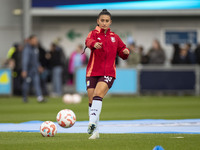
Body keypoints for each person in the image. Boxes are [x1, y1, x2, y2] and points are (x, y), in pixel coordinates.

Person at [85, 9, 130, 139]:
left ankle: (91, 123)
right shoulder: (93, 34)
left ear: (110, 22)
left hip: (108, 72)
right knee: (91, 100)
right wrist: (94, 44)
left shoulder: (115, 37)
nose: (104, 23)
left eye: (107, 21)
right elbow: (88, 42)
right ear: (98, 21)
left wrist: (125, 52)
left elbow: (122, 50)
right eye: (102, 20)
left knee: (98, 94)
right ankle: (95, 132)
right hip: (92, 71)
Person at [21, 35, 46, 103]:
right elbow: (25, 60)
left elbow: (36, 60)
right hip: (28, 71)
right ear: (30, 40)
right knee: (26, 84)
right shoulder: (27, 49)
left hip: (34, 70)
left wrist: (39, 66)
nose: (36, 41)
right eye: (34, 40)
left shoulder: (35, 49)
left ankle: (39, 97)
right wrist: (24, 70)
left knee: (37, 83)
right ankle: (24, 97)